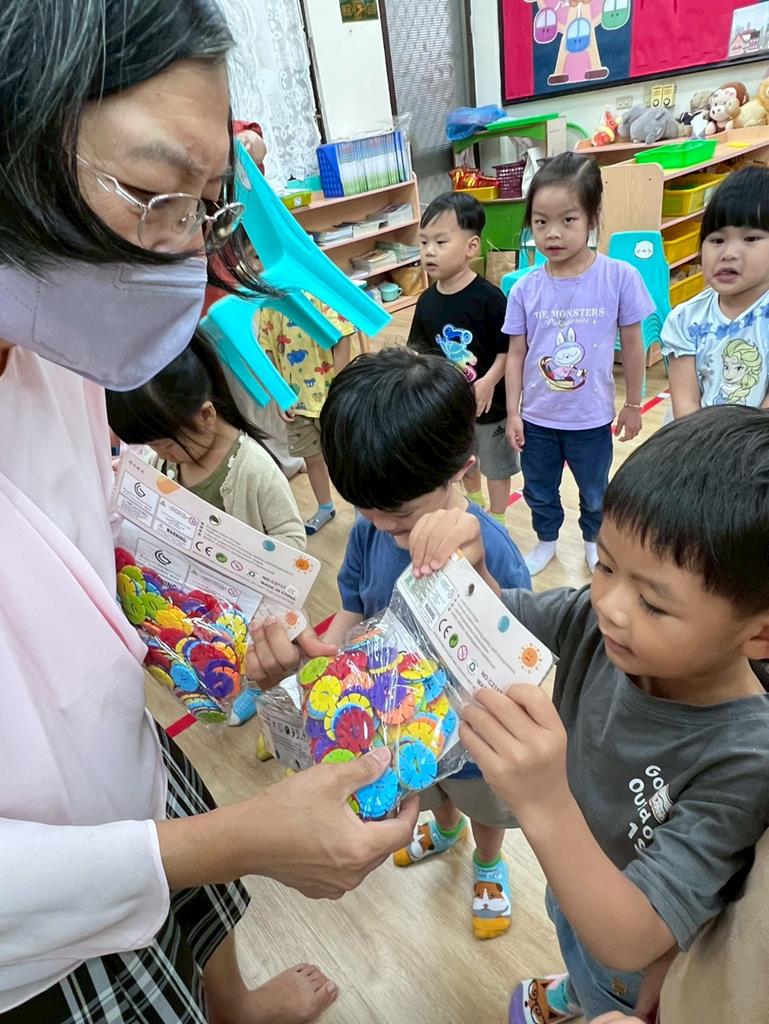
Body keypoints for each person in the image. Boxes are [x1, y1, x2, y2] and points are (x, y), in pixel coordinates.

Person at [0, 2, 417, 1020]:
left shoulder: (52, 345)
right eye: (153, 196)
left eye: (206, 207)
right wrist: (245, 838)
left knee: (198, 929)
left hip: (120, 763)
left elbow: (85, 537)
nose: (183, 259)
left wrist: (225, 635)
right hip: (34, 937)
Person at [403, 406, 769, 1022]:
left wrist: (543, 802)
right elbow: (502, 625)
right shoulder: (596, 627)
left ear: (758, 635)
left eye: (653, 602)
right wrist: (472, 570)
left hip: (636, 955)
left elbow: (631, 938)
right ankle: (576, 985)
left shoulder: (746, 758)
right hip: (574, 872)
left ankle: (586, 997)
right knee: (573, 934)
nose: (610, 605)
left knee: (606, 975)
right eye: (605, 566)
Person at [319, 347, 531, 941]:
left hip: (473, 728)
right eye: (364, 508)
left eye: (400, 514)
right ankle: (445, 828)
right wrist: (322, 656)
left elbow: (521, 650)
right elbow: (353, 608)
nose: (381, 524)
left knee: (481, 799)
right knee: (429, 784)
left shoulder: (490, 550)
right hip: (401, 716)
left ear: (461, 470)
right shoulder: (370, 530)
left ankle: (487, 859)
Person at [504, 152, 653, 577]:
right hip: (538, 419)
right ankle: (547, 540)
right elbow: (516, 354)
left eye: (568, 220)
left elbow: (634, 344)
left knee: (594, 492)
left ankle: (592, 541)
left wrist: (634, 404)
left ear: (592, 218)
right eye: (540, 222)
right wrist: (513, 412)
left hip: (590, 419)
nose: (552, 233)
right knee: (538, 488)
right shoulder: (525, 289)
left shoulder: (619, 277)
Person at [106, 330, 307, 550]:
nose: (161, 454)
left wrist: (243, 554)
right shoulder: (162, 462)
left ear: (206, 415)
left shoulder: (255, 469)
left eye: (167, 445)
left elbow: (293, 539)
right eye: (152, 446)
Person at [407, 191, 520, 525]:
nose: (429, 251)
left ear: (471, 247)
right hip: (451, 407)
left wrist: (488, 382)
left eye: (441, 242)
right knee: (464, 461)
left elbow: (509, 349)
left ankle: (498, 520)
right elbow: (420, 352)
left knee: (496, 466)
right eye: (424, 242)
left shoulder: (489, 299)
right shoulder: (426, 301)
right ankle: (476, 506)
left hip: (490, 406)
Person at [662, 165, 769, 417]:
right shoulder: (685, 320)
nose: (728, 254)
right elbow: (685, 408)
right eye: (717, 240)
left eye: (750, 239)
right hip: (698, 434)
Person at [259, 297, 355, 534]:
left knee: (346, 458)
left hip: (330, 399)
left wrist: (341, 388)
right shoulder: (269, 303)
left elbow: (342, 336)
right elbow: (267, 350)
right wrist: (280, 395)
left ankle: (362, 509)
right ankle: (325, 506)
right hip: (297, 404)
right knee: (312, 459)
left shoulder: (316, 292)